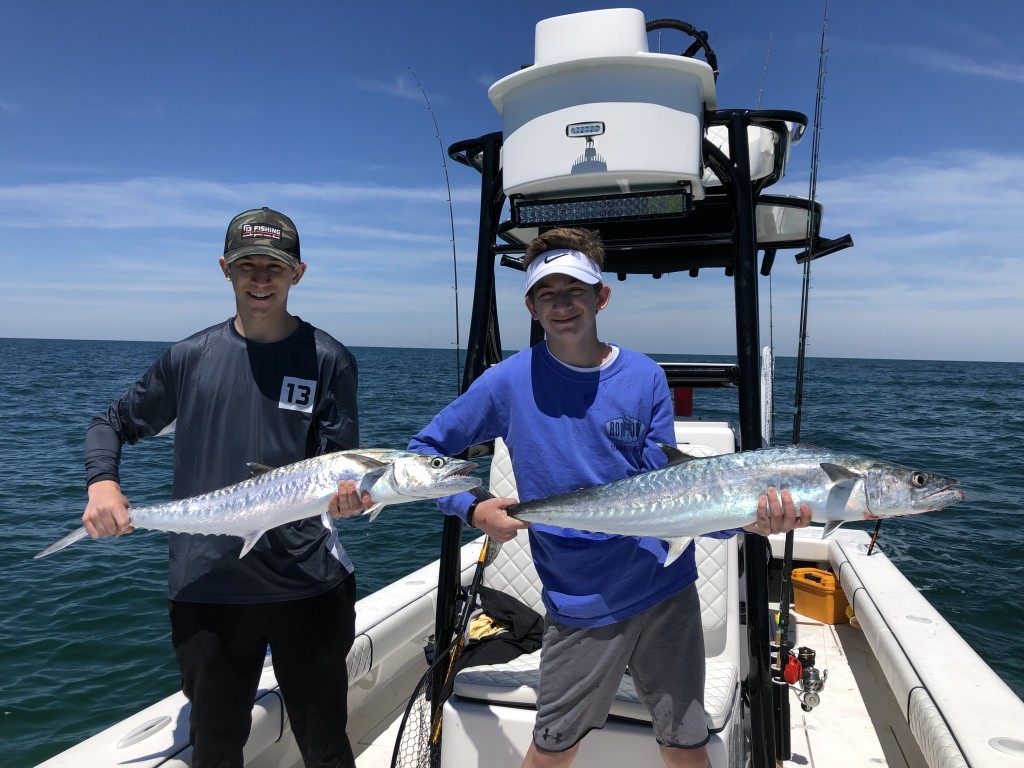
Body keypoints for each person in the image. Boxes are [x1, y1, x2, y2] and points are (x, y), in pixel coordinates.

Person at [405, 227, 811, 768]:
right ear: (529, 304)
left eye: (574, 290)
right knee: (553, 748)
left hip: (667, 592)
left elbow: (669, 496)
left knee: (686, 743)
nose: (561, 305)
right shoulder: (505, 382)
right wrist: (473, 507)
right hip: (581, 602)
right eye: (546, 293)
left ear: (602, 296)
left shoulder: (644, 377)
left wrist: (746, 522)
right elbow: (422, 453)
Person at [81, 207, 367, 768]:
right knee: (214, 748)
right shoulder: (190, 358)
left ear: (298, 274)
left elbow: (337, 467)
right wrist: (103, 486)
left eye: (275, 267)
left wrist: (350, 502)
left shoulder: (329, 359)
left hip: (307, 585)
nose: (261, 279)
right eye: (248, 266)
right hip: (207, 586)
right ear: (225, 270)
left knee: (327, 744)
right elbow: (108, 424)